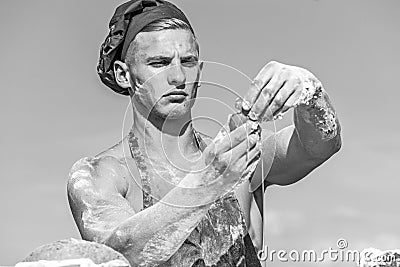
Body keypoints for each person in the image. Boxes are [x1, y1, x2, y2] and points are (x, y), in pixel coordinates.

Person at [67, 0, 342, 266]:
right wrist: (207, 183)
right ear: (123, 75)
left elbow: (320, 144)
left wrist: (310, 91)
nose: (178, 77)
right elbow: (121, 251)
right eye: (159, 63)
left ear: (200, 70)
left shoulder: (238, 155)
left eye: (187, 61)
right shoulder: (102, 174)